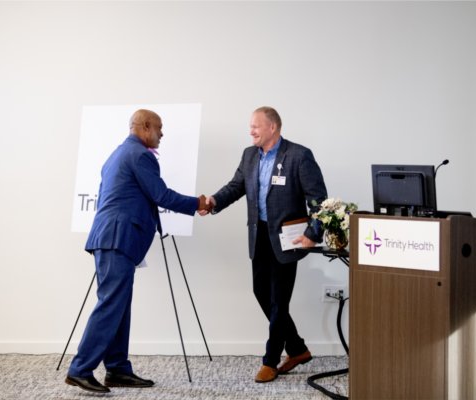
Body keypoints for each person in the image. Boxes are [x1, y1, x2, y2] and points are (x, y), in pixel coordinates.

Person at [66, 109, 211, 393]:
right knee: (110, 304)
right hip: (117, 239)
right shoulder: (140, 155)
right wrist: (198, 203)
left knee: (118, 305)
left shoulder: (117, 154)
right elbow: (161, 195)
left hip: (113, 239)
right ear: (145, 127)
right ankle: (80, 369)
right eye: (159, 128)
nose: (162, 134)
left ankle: (117, 369)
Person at [202, 106, 327, 383]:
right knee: (262, 292)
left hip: (288, 239)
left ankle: (271, 360)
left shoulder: (299, 155)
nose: (251, 131)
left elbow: (319, 200)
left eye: (256, 126)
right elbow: (236, 186)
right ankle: (297, 348)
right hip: (258, 235)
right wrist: (213, 201)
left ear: (273, 128)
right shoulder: (249, 155)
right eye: (250, 126)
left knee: (279, 300)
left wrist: (312, 233)